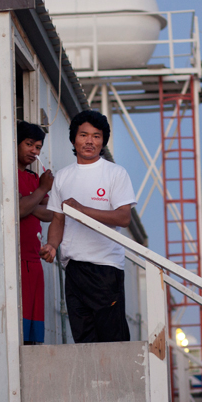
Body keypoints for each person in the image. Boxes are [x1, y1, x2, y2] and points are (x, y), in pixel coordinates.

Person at [40, 110, 137, 343]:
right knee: (84, 339)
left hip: (106, 267)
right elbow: (58, 219)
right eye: (84, 135)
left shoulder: (115, 173)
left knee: (112, 339)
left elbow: (123, 218)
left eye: (96, 136)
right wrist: (52, 245)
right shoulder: (63, 177)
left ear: (103, 141)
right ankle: (94, 382)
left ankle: (118, 381)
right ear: (74, 138)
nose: (90, 141)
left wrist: (83, 210)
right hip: (74, 267)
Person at [16, 121, 54, 345]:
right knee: (18, 331)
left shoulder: (33, 178)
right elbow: (18, 209)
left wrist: (30, 204)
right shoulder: (10, 174)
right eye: (28, 144)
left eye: (38, 147)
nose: (34, 151)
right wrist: (42, 191)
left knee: (32, 335)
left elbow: (50, 214)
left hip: (34, 261)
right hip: (18, 262)